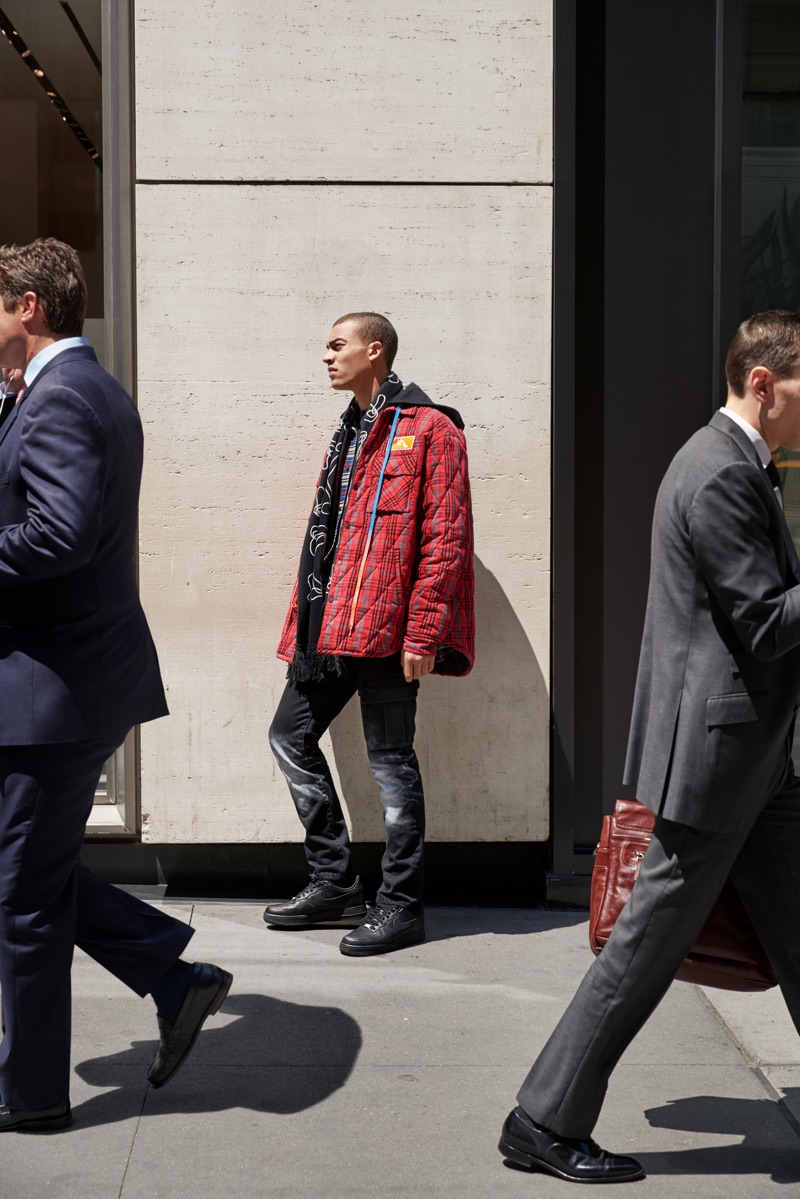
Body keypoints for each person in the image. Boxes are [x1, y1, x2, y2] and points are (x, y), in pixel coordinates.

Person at [499, 309, 800, 1183]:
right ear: (761, 382)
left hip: (753, 761)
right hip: (718, 766)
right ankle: (542, 1117)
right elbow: (764, 624)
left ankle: (544, 1113)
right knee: (641, 949)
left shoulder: (740, 466)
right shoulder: (718, 474)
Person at [0, 239, 232, 1133]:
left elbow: (55, 539)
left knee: (22, 893)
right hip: (57, 685)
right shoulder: (55, 392)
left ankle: (33, 1097)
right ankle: (174, 975)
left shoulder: (66, 398)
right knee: (28, 874)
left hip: (55, 692)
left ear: (28, 306)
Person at [264, 312, 474, 956]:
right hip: (331, 629)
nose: (327, 356)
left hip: (389, 634)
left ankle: (402, 905)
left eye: (337, 345)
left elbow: (447, 538)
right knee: (289, 736)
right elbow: (330, 541)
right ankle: (332, 882)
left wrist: (422, 632)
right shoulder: (349, 430)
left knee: (390, 764)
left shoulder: (431, 429)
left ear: (373, 349)